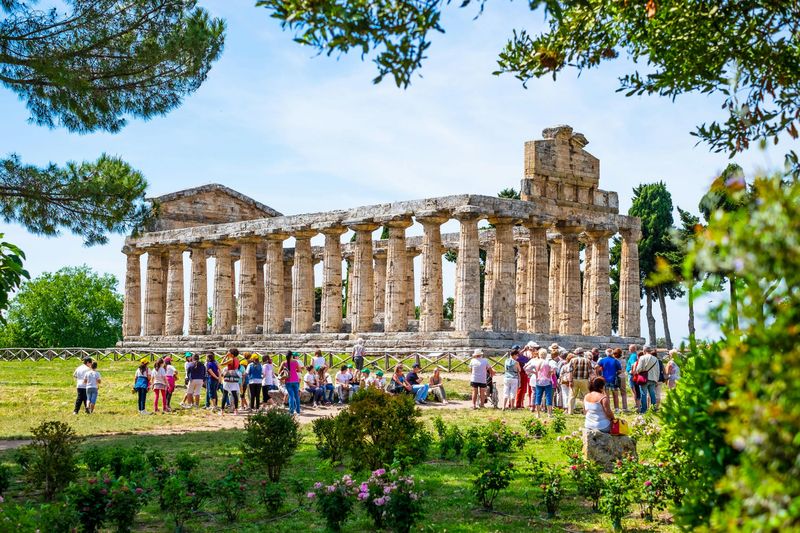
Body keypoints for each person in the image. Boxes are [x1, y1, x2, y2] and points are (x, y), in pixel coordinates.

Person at [527, 348, 554, 417]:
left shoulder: (536, 362)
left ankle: (538, 413)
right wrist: (550, 372)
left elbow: (526, 368)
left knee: (538, 397)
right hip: (547, 381)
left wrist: (535, 372)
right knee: (548, 397)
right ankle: (549, 413)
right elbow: (554, 367)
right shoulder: (548, 362)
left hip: (539, 381)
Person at [636, 346, 660, 413]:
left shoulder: (642, 358)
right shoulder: (655, 359)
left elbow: (639, 369)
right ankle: (653, 409)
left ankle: (644, 410)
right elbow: (657, 370)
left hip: (644, 378)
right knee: (652, 394)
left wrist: (638, 371)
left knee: (643, 394)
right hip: (653, 378)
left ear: (644, 351)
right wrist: (657, 379)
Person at [569, 348, 593, 413]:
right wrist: (591, 381)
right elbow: (590, 372)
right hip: (584, 380)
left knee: (572, 396)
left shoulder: (572, 360)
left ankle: (570, 411)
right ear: (582, 353)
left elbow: (570, 372)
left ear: (576, 353)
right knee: (586, 396)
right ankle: (586, 411)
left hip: (574, 379)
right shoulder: (587, 360)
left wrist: (570, 381)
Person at [515, 342, 535, 408]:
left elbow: (529, 360)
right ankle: (518, 404)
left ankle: (521, 403)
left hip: (523, 374)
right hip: (521, 374)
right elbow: (519, 356)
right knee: (521, 389)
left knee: (523, 389)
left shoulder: (521, 357)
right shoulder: (518, 358)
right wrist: (525, 350)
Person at [626, 344, 641, 411]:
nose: (629, 349)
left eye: (629, 348)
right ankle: (637, 404)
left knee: (633, 389)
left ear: (631, 349)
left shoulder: (633, 356)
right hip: (633, 374)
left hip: (632, 375)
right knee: (635, 390)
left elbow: (633, 364)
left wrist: (631, 371)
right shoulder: (635, 355)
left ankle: (637, 404)